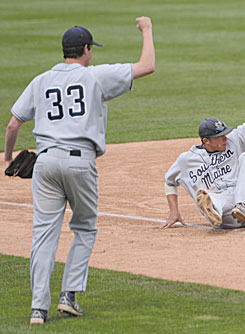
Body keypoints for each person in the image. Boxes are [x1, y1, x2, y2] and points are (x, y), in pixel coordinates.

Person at [4, 17, 155, 325]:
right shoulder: (95, 76)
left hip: (44, 163)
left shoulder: (41, 80)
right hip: (80, 162)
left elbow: (13, 123)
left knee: (43, 235)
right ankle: (69, 295)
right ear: (86, 50)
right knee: (84, 227)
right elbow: (147, 65)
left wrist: (7, 159)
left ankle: (37, 309)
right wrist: (147, 30)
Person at [162, 80, 245, 229]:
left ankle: (240, 205)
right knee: (211, 196)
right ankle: (213, 209)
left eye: (225, 133)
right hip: (225, 218)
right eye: (220, 136)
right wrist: (174, 211)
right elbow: (169, 181)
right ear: (206, 141)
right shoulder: (186, 160)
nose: (225, 138)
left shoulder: (235, 140)